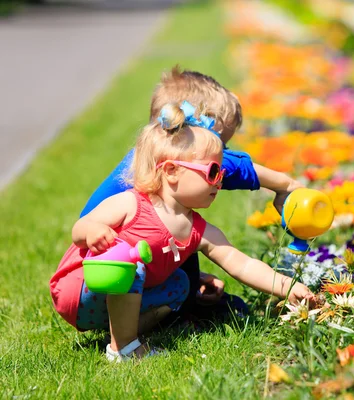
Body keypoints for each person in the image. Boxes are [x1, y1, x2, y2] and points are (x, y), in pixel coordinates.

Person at [50, 103, 314, 361]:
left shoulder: (198, 229)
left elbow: (241, 264)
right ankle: (124, 350)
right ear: (172, 171)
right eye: (212, 171)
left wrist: (286, 287)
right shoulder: (132, 204)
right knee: (131, 264)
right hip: (81, 288)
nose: (220, 179)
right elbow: (79, 228)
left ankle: (119, 334)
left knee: (182, 284)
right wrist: (94, 231)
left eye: (221, 171)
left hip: (113, 297)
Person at [79, 67, 303, 320]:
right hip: (99, 275)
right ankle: (172, 317)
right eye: (218, 146)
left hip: (111, 269)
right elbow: (235, 167)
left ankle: (182, 299)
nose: (221, 156)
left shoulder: (158, 176)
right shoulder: (154, 174)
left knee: (179, 237)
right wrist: (285, 184)